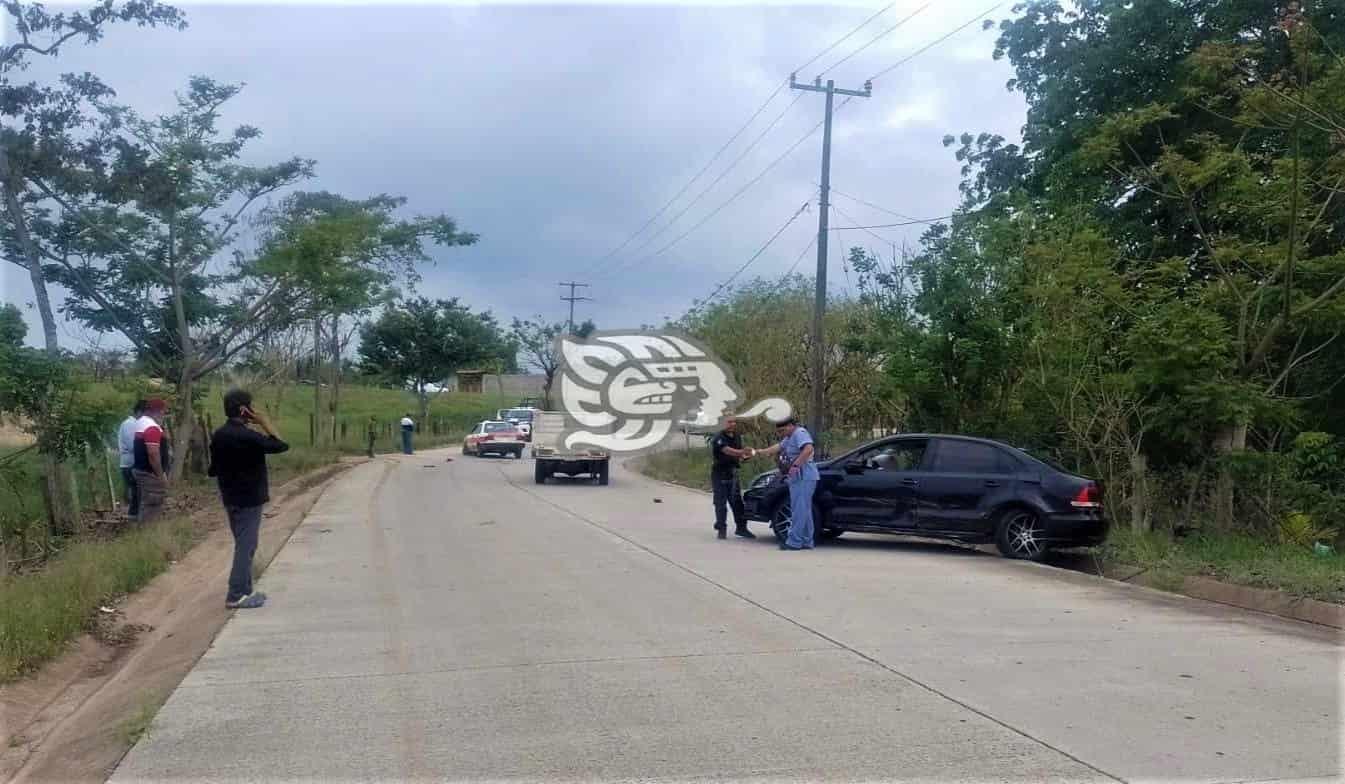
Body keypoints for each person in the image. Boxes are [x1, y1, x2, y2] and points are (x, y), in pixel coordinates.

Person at [208, 388, 289, 610]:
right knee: (246, 545)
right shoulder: (250, 437)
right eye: (250, 407)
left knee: (244, 544)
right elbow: (281, 445)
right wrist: (263, 422)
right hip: (250, 499)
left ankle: (245, 591)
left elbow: (212, 470)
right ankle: (235, 594)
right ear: (245, 410)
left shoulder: (218, 435)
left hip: (230, 497)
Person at [751, 417, 819, 551]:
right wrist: (757, 452)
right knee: (804, 509)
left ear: (791, 425)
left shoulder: (800, 433)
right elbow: (776, 448)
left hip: (803, 475)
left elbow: (808, 448)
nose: (781, 433)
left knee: (798, 510)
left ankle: (794, 542)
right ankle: (806, 540)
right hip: (799, 477)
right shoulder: (789, 437)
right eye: (779, 431)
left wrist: (795, 465)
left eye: (782, 430)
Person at [709, 416, 755, 540]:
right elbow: (727, 451)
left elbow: (738, 453)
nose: (733, 424)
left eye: (734, 421)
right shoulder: (719, 437)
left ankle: (741, 528)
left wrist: (744, 457)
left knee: (737, 503)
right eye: (729, 422)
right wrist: (742, 452)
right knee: (721, 503)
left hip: (733, 472)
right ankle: (721, 529)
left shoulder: (737, 436)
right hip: (720, 473)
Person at [131, 398, 171, 523]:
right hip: (150, 473)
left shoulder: (141, 422)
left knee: (145, 504)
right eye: (163, 412)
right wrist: (160, 475)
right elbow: (153, 454)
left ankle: (146, 534)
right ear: (157, 412)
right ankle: (149, 533)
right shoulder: (151, 427)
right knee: (152, 506)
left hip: (142, 470)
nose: (164, 415)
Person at [118, 399, 146, 519]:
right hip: (130, 464)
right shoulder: (130, 424)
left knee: (138, 493)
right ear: (139, 412)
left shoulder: (135, 424)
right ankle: (133, 519)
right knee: (136, 493)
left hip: (133, 463)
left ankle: (137, 518)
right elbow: (132, 445)